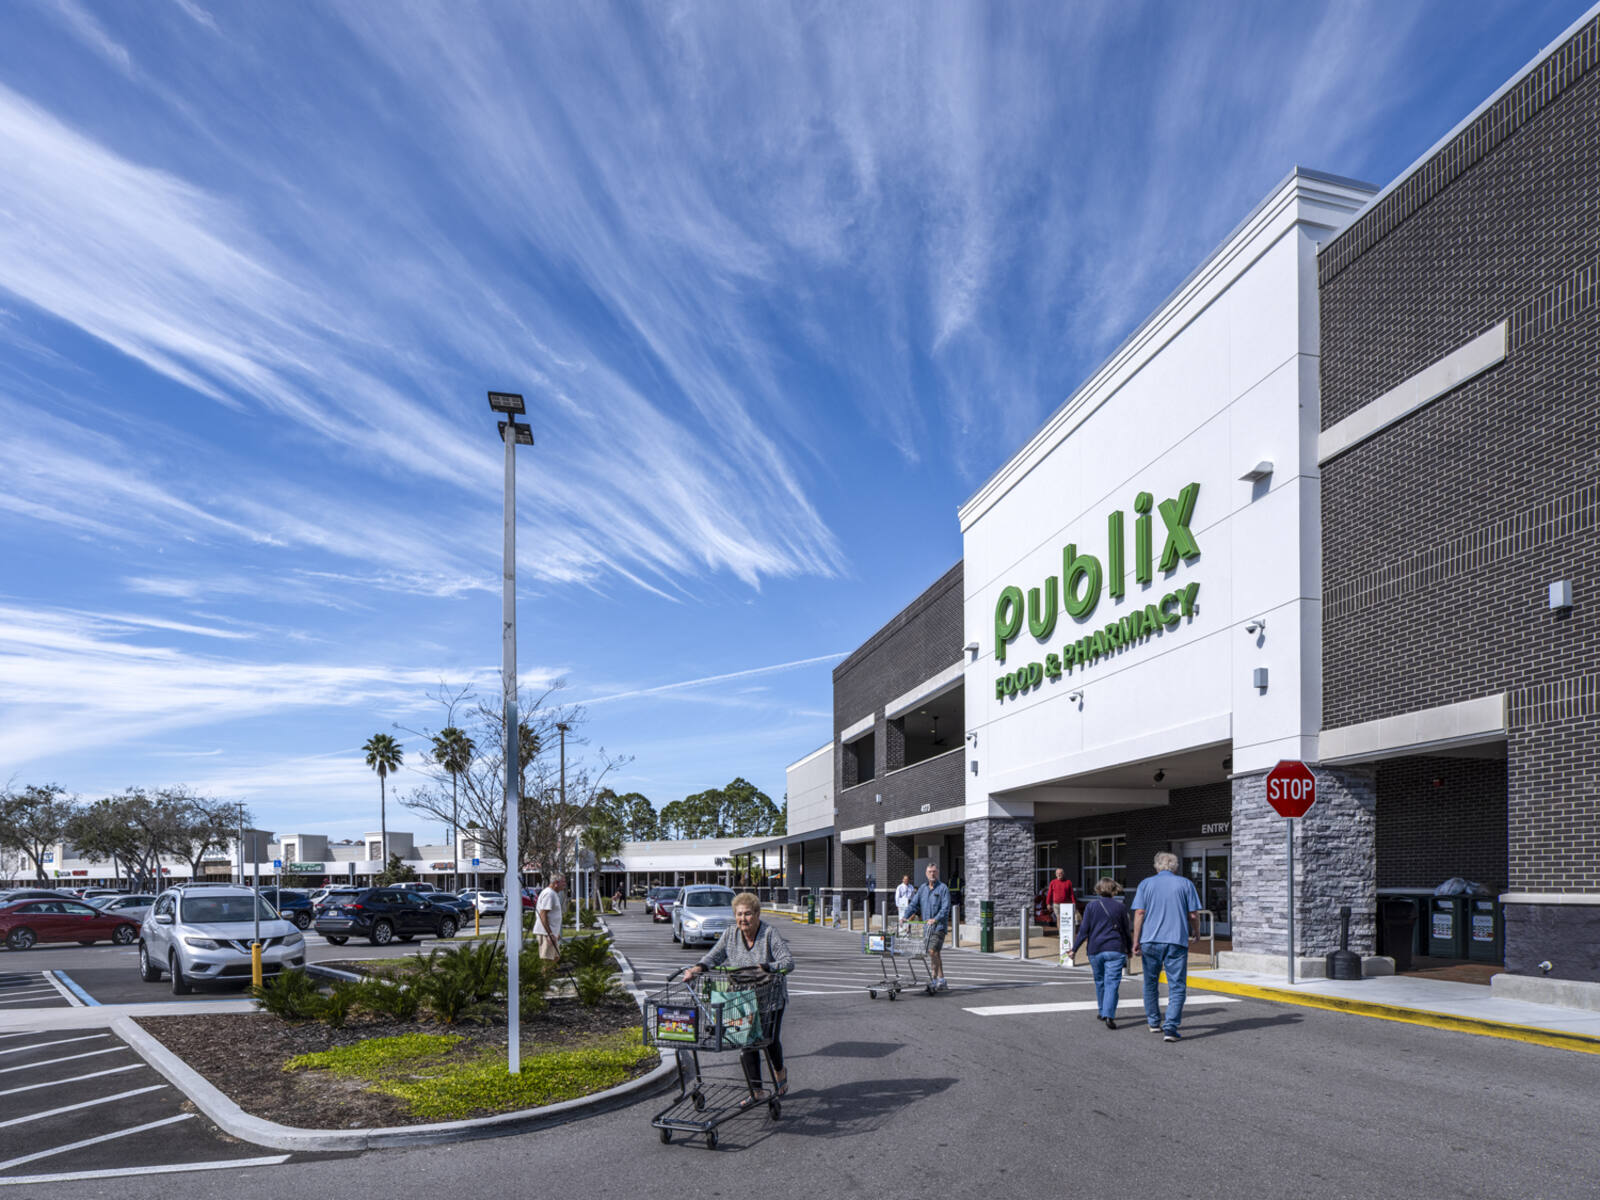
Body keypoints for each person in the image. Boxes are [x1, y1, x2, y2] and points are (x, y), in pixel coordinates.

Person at [685, 892, 793, 1100]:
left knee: (768, 1041)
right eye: (739, 914)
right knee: (746, 1042)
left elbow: (788, 962)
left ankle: (779, 1071)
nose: (743, 919)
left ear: (757, 914)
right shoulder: (730, 934)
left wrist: (767, 967)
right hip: (742, 999)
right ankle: (757, 1091)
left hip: (770, 998)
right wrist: (697, 968)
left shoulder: (769, 933)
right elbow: (714, 955)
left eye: (748, 914)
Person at [1131, 851, 1202, 1042]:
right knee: (1177, 985)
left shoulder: (1146, 884)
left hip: (1150, 940)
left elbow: (1139, 913)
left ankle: (1154, 1022)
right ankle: (1170, 1026)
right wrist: (1196, 932)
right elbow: (1193, 914)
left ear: (1156, 866)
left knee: (1150, 982)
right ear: (1175, 867)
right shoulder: (1185, 884)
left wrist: (1136, 940)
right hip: (1176, 940)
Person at [1071, 877, 1132, 1029]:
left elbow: (1084, 931)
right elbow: (1126, 931)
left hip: (1095, 949)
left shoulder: (1091, 906)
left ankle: (1101, 1011)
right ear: (1114, 889)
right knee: (1112, 984)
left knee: (1100, 982)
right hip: (1115, 949)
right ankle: (1109, 1016)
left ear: (1098, 889)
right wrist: (1129, 949)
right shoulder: (1120, 907)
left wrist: (1074, 949)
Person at [903, 863, 952, 992]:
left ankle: (933, 980)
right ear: (926, 873)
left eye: (934, 871)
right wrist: (905, 917)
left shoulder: (943, 888)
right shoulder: (922, 889)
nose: (932, 874)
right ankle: (942, 980)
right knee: (936, 953)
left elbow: (945, 908)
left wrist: (935, 919)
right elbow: (914, 904)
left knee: (932, 951)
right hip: (926, 928)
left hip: (938, 927)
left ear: (938, 872)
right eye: (930, 871)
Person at [535, 874, 566, 961]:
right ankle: (545, 975)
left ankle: (551, 974)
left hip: (551, 933)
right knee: (547, 961)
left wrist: (555, 933)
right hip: (546, 934)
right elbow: (543, 914)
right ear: (556, 883)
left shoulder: (553, 893)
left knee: (555, 958)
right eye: (563, 882)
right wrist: (550, 933)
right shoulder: (549, 894)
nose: (565, 884)